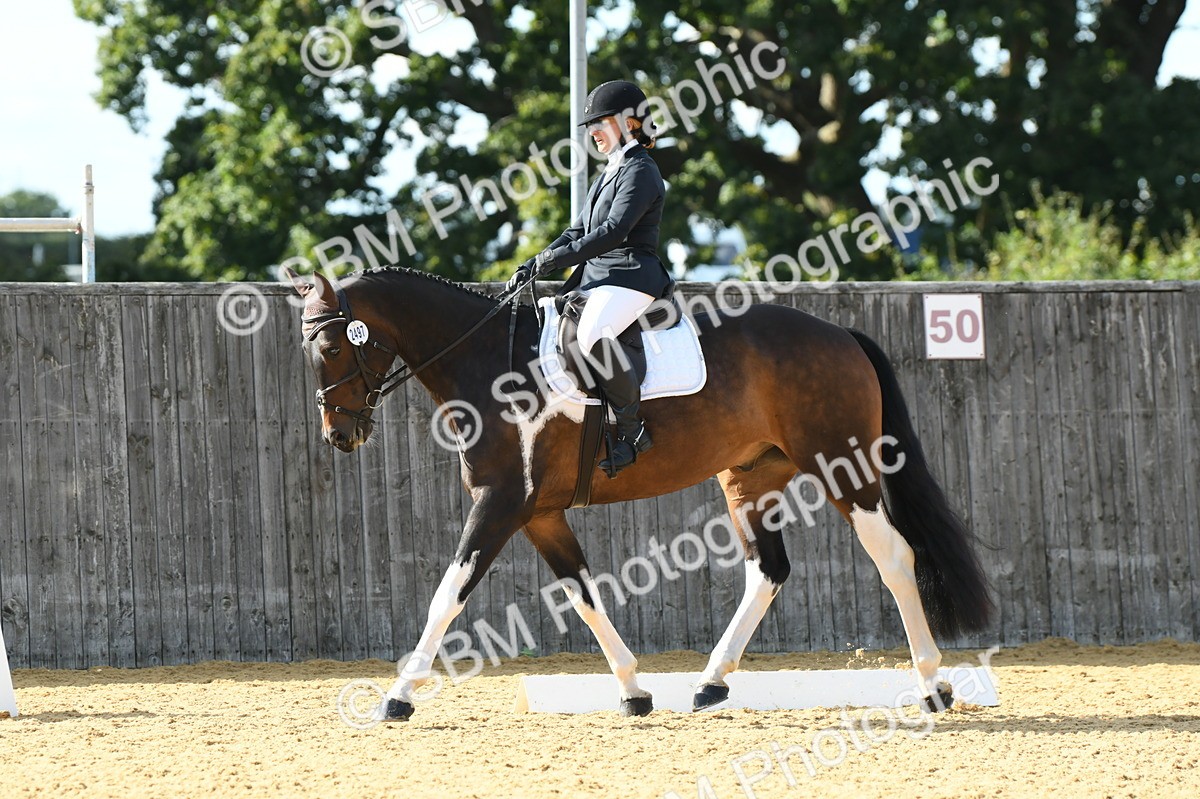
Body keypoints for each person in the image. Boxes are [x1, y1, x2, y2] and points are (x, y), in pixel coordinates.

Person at [507, 80, 674, 477]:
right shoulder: (608, 173)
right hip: (599, 276)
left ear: (628, 122)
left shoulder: (642, 171)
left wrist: (553, 261)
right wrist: (536, 260)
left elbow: (614, 231)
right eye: (589, 126)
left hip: (632, 274)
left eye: (599, 123)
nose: (591, 132)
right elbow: (578, 231)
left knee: (592, 333)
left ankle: (633, 432)